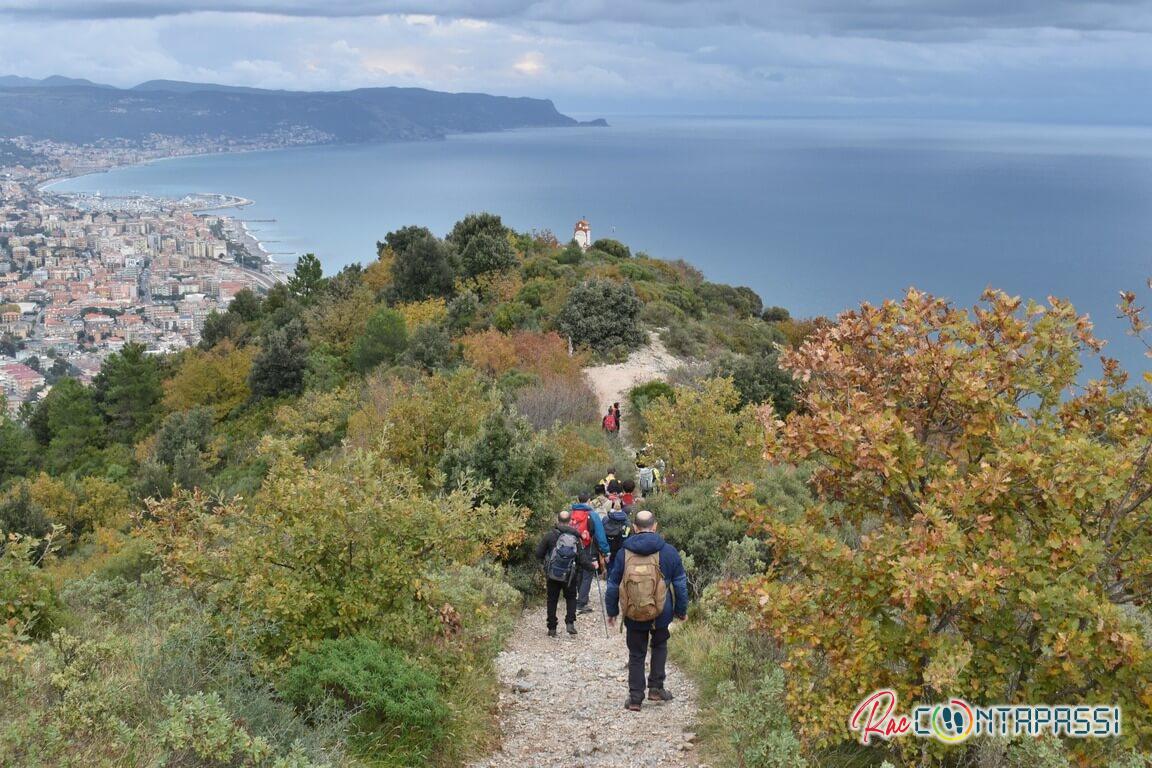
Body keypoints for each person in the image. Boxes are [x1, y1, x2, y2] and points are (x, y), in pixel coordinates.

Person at [605, 510, 689, 711]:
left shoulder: (624, 553)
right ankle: (656, 688)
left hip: (633, 612)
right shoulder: (668, 551)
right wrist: (681, 610)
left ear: (634, 528)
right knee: (659, 645)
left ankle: (635, 698)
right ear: (655, 526)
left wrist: (612, 611)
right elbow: (680, 585)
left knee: (636, 653)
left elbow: (613, 585)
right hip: (661, 611)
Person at [535, 509, 597, 636]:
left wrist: (545, 563)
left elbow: (538, 554)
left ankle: (552, 627)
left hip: (552, 574)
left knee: (552, 599)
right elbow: (582, 559)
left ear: (557, 520)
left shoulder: (550, 535)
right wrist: (592, 567)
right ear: (570, 522)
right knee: (570, 597)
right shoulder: (575, 537)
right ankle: (570, 623)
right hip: (569, 575)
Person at [571, 494, 610, 614]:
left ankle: (579, 597)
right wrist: (604, 550)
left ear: (578, 500)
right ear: (589, 501)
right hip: (588, 547)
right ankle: (581, 603)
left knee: (578, 571)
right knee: (588, 573)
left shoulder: (571, 513)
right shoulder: (592, 514)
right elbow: (600, 534)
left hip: (574, 546)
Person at [603, 501, 632, 569]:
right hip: (622, 549)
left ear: (612, 507)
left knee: (610, 569)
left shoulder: (605, 519)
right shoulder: (626, 521)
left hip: (609, 550)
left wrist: (605, 552)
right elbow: (628, 535)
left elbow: (602, 535)